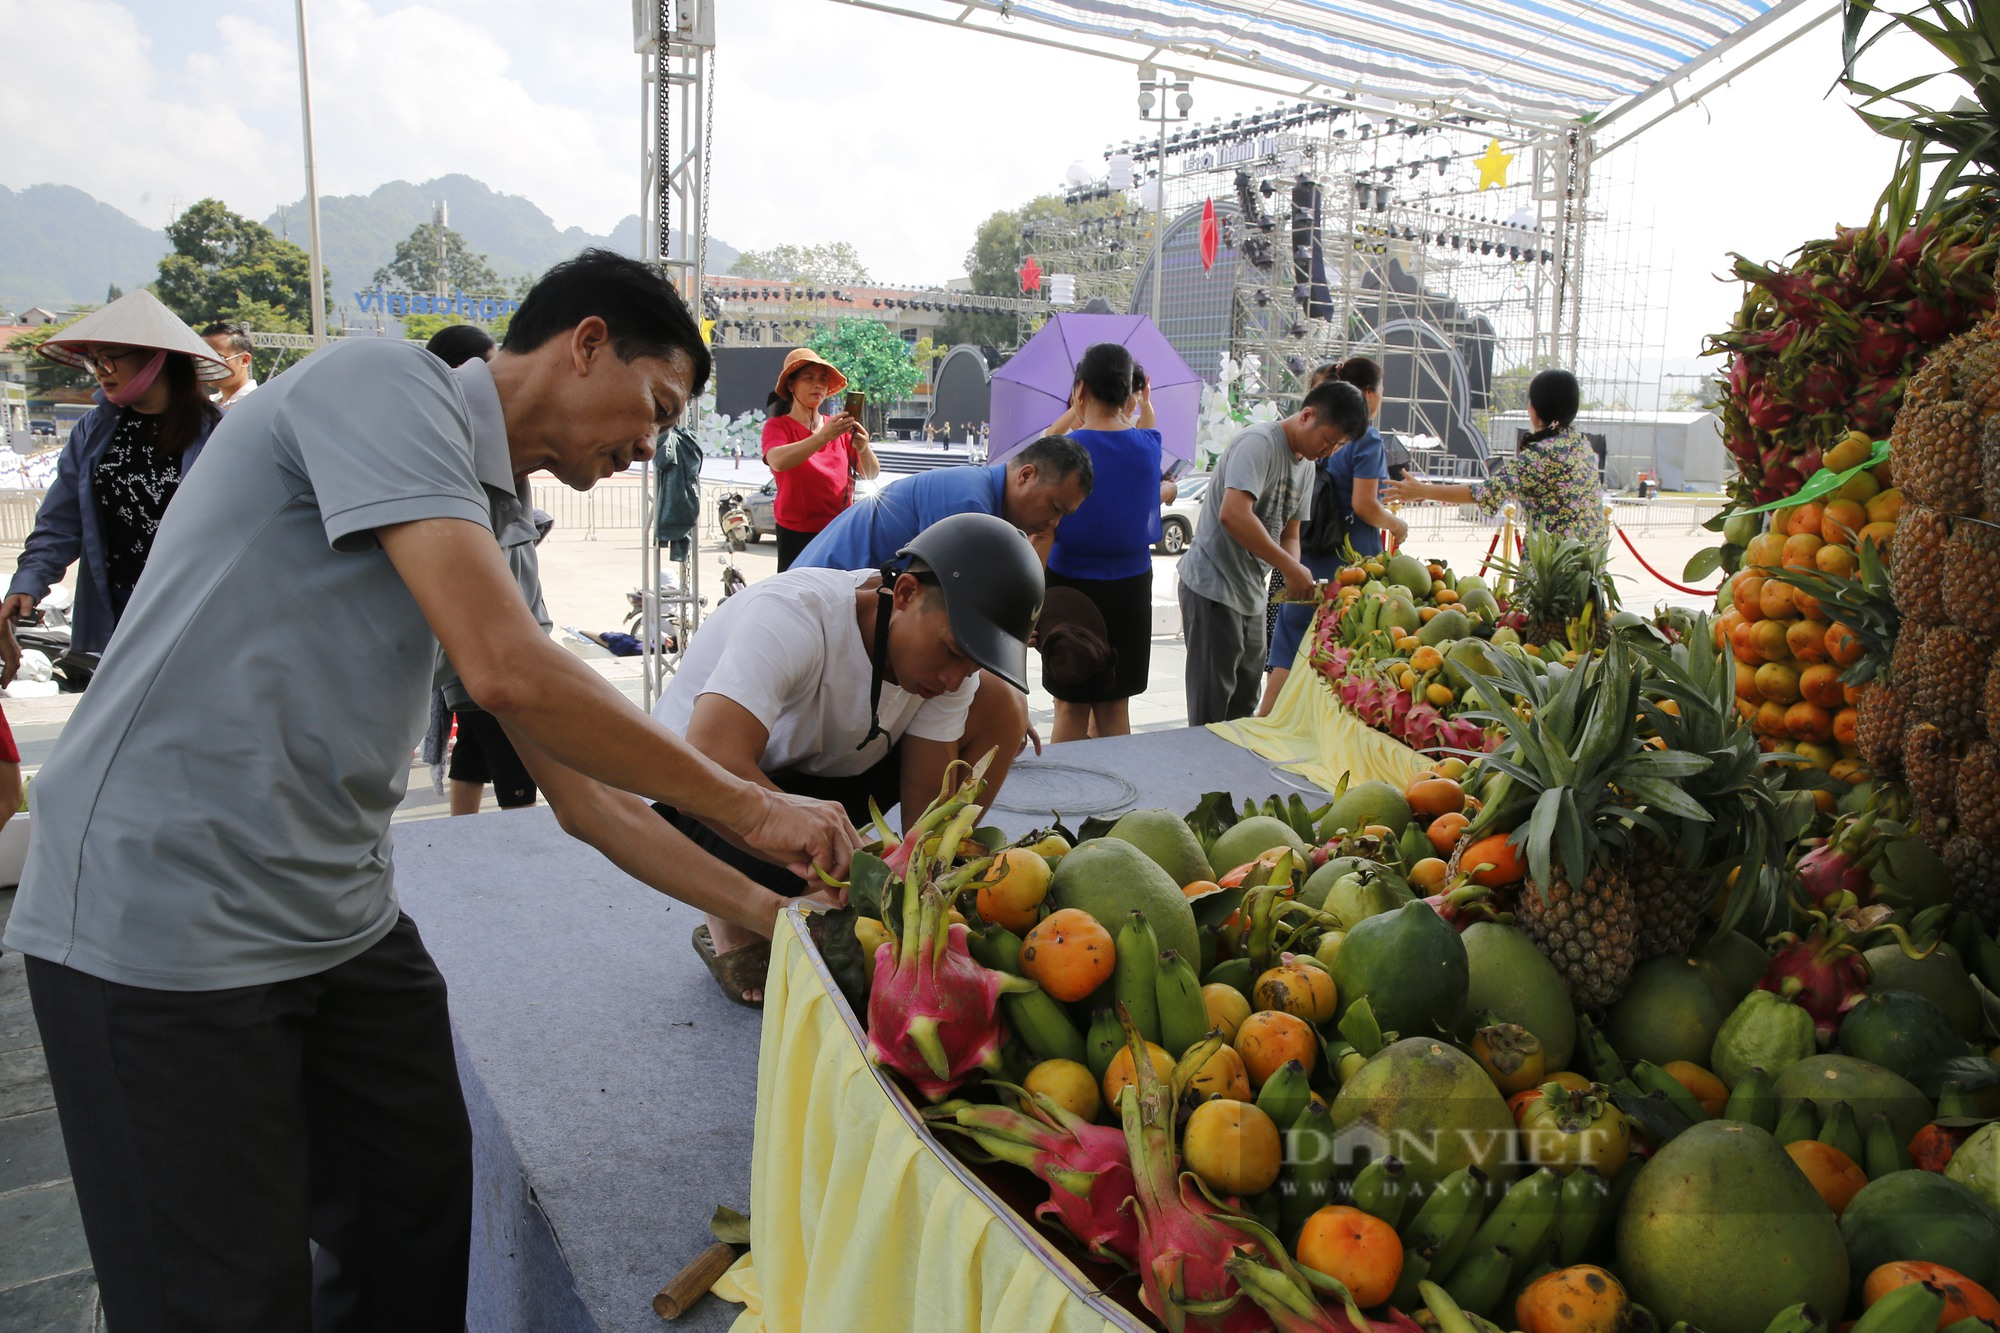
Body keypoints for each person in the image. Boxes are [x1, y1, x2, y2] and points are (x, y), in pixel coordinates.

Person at [3, 249, 859, 1328]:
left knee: (413, 1221)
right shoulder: (379, 385)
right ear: (583, 341)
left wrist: (777, 921)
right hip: (160, 910)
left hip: (337, 915)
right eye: (653, 405)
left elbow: (587, 799)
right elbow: (505, 667)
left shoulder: (491, 520)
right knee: (217, 1295)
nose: (650, 443)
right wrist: (753, 805)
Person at [652, 512, 1044, 1005]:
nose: (953, 678)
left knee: (1002, 702)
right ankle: (728, 917)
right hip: (700, 790)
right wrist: (853, 870)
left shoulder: (951, 669)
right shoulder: (793, 614)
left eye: (971, 664)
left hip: (824, 772)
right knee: (833, 901)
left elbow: (928, 817)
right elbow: (709, 760)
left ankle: (805, 884)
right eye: (951, 652)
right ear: (904, 594)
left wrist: (921, 891)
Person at [2, 290, 229, 663]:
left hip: (197, 610)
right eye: (93, 362)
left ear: (157, 357)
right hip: (119, 609)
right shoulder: (93, 429)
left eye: (109, 359)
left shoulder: (218, 433)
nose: (100, 372)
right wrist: (29, 582)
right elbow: (61, 521)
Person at [1178, 378, 1370, 727]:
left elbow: (1290, 533)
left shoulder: (1308, 466)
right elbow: (1233, 514)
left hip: (1250, 592)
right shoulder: (1259, 443)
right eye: (1328, 440)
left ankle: (1230, 778)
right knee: (1211, 712)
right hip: (1212, 586)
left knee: (1244, 702)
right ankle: (1200, 778)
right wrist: (1288, 566)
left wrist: (1294, 570)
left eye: (1338, 446)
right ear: (1307, 415)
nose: (1329, 451)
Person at [412, 323, 540, 817]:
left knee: (472, 754)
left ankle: (460, 837)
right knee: (514, 767)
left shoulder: (503, 460)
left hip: (493, 653)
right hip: (490, 657)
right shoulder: (454, 466)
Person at [1041, 344, 1175, 743]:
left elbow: (1051, 436)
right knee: (1116, 704)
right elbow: (1147, 426)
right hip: (1130, 589)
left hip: (1070, 588)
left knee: (1070, 705)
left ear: (1081, 390)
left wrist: (1074, 409)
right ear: (1131, 392)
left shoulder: (1065, 450)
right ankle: (1119, 803)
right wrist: (1142, 403)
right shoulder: (1149, 445)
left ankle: (1066, 799)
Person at [1258, 360, 1407, 714]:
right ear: (1369, 394)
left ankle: (1265, 719)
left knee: (1289, 641)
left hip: (1306, 554)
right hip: (1349, 564)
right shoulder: (1365, 437)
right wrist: (1396, 525)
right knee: (1344, 650)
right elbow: (1365, 504)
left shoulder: (1316, 430)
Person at [1384, 367, 1607, 545]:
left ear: (1533, 408)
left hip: (1555, 572)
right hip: (1588, 567)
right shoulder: (1581, 445)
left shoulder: (1543, 454)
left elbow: (1482, 493)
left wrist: (1425, 491)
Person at [762, 347, 878, 570]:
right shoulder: (778, 426)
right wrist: (824, 436)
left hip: (838, 528)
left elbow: (871, 473)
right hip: (795, 532)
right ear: (791, 385)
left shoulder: (837, 428)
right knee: (796, 598)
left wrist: (864, 448)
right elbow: (777, 460)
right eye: (809, 378)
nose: (818, 385)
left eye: (823, 380)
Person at [200, 320, 259, 409]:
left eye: (218, 358)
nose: (209, 366)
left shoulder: (257, 403)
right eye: (204, 358)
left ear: (245, 360)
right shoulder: (207, 405)